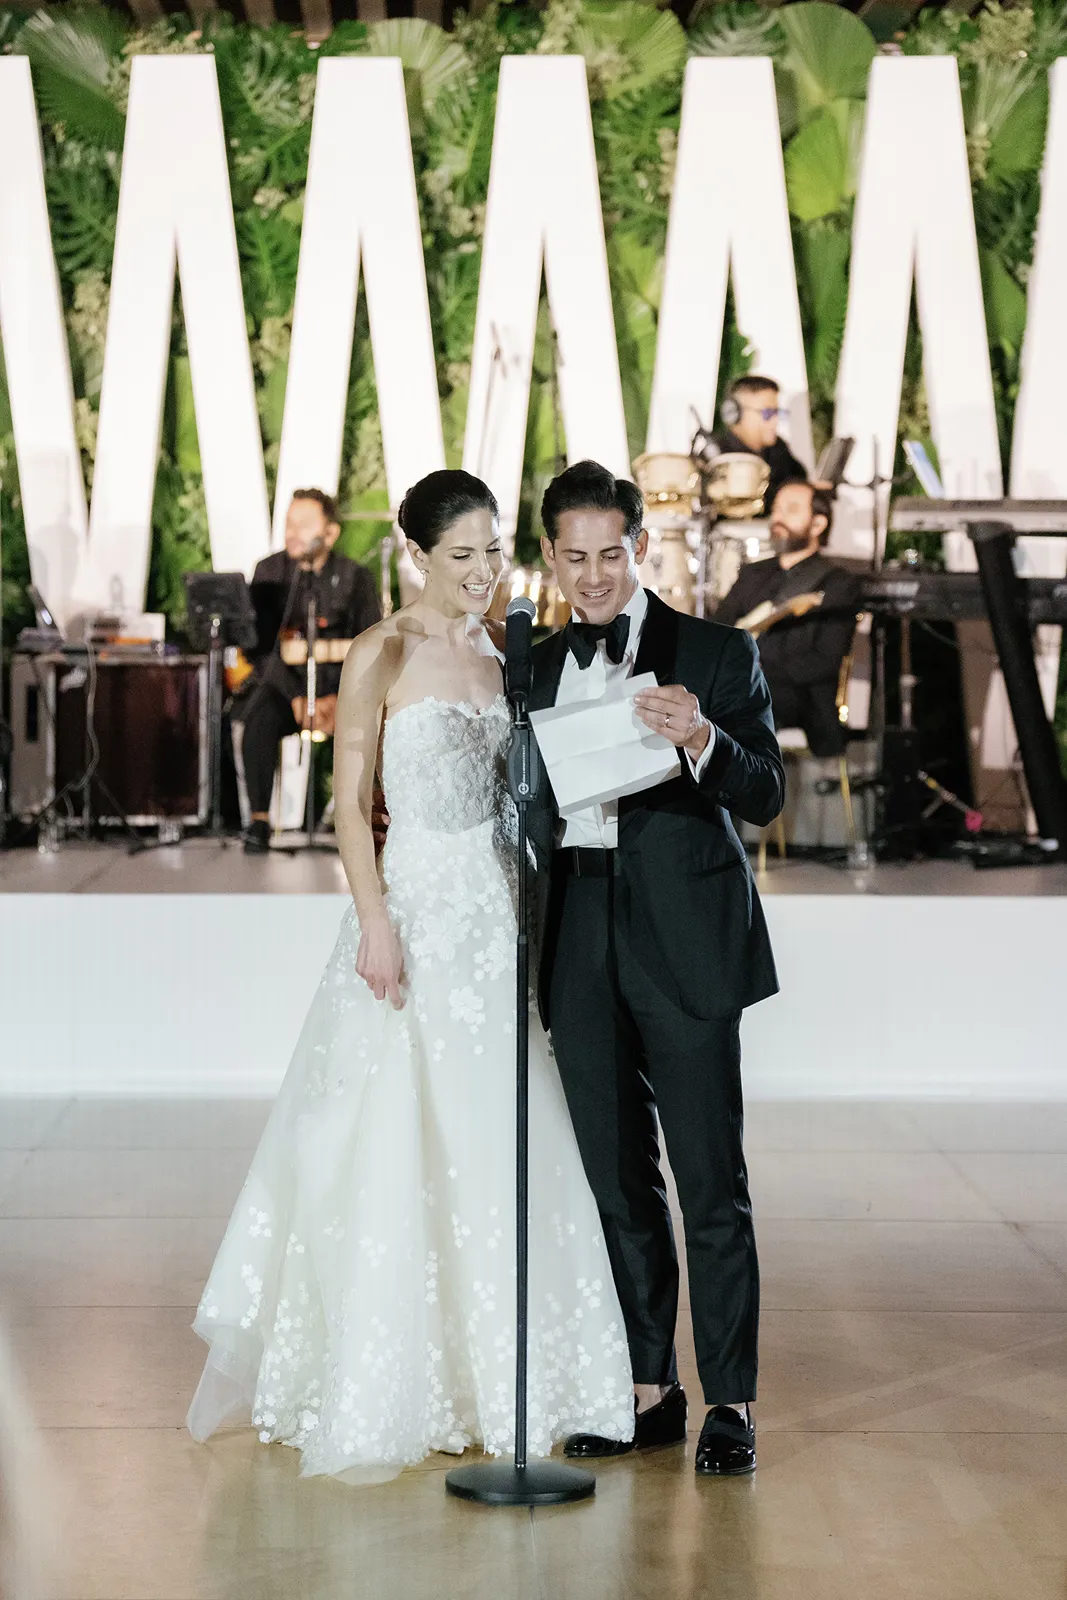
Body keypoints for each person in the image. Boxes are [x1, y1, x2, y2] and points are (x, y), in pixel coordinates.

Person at [187, 469, 633, 1482]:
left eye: (493, 552)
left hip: (498, 919)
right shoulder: (379, 650)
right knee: (392, 1136)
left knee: (496, 1135)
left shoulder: (508, 651)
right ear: (418, 554)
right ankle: (392, 1378)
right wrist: (375, 920)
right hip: (416, 913)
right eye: (462, 554)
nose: (482, 571)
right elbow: (348, 805)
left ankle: (496, 1380)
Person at [527, 460, 785, 1476]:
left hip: (683, 937)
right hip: (574, 930)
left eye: (611, 553)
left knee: (710, 1181)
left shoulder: (716, 651)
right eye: (574, 557)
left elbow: (764, 792)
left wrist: (705, 739)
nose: (593, 575)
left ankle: (730, 1401)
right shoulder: (530, 665)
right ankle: (648, 1390)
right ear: (551, 558)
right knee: (615, 1181)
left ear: (641, 548)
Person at [231, 489, 381, 852]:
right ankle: (259, 821)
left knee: (377, 722)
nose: (292, 532)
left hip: (342, 693)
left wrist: (338, 698)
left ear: (330, 533)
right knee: (259, 717)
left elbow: (372, 647)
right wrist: (298, 698)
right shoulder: (268, 573)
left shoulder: (355, 577)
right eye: (288, 523)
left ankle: (371, 820)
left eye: (303, 524)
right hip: (288, 691)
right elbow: (260, 650)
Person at [716, 479, 863, 758]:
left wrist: (757, 672)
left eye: (791, 510)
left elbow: (824, 661)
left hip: (800, 699)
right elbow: (718, 630)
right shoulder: (752, 575)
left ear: (818, 524)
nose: (778, 517)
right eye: (776, 509)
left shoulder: (838, 584)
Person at [702, 374, 809, 514]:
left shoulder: (778, 448)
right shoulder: (715, 456)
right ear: (734, 413)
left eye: (777, 412)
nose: (775, 420)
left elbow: (800, 480)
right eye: (768, 413)